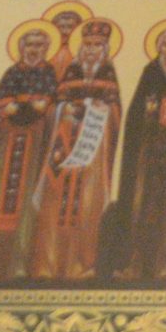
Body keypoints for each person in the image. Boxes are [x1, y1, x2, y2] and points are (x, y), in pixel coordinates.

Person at [0, 25, 60, 281]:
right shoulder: (12, 72)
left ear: (46, 48)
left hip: (34, 146)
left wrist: (39, 108)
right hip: (5, 144)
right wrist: (8, 109)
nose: (33, 50)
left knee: (27, 202)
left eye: (39, 45)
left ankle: (20, 263)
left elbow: (51, 108)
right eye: (29, 45)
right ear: (21, 47)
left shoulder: (50, 74)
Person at [30, 18, 122, 280]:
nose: (92, 50)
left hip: (91, 154)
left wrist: (102, 111)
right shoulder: (71, 72)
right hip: (63, 147)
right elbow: (54, 106)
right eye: (88, 45)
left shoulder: (108, 75)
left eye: (97, 45)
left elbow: (116, 114)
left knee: (86, 205)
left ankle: (80, 265)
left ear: (105, 49)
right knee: (53, 203)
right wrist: (64, 109)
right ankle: (46, 265)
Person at [110, 21, 166, 283]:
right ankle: (133, 262)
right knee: (139, 206)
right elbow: (135, 112)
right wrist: (148, 116)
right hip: (146, 153)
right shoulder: (149, 72)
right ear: (159, 47)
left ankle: (163, 263)